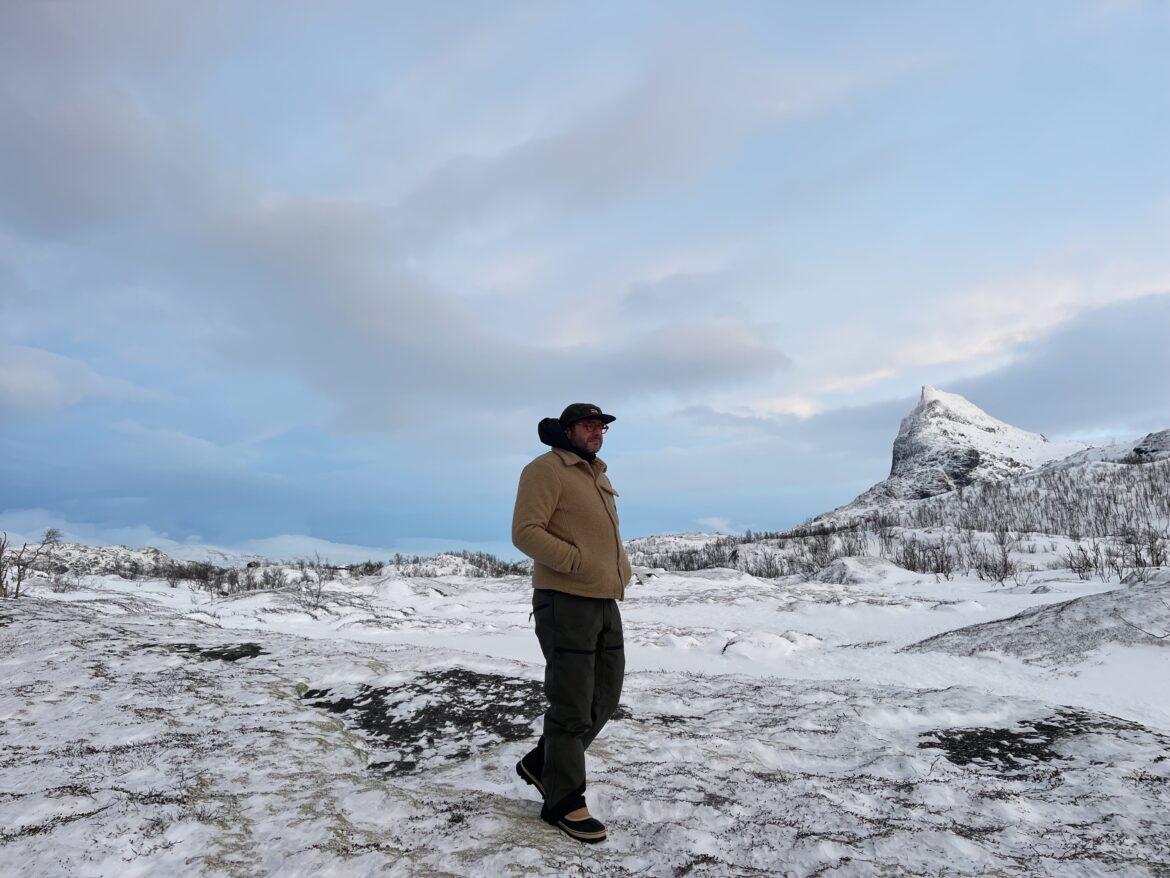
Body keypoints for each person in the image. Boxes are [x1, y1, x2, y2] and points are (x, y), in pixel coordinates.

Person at [511, 402, 632, 844]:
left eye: (601, 426)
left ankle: (545, 763)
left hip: (604, 599)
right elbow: (526, 531)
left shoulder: (596, 472)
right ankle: (563, 800)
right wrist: (577, 563)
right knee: (571, 703)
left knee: (606, 694)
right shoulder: (546, 469)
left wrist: (620, 568)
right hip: (565, 601)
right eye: (588, 425)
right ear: (567, 430)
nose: (596, 431)